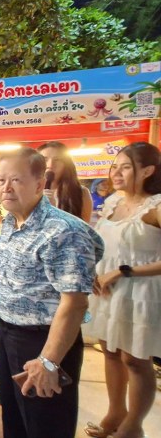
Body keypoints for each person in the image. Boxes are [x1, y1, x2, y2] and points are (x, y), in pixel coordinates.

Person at [0, 147, 103, 438]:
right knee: (15, 421)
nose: (6, 187)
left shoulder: (63, 230)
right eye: (0, 180)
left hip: (42, 340)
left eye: (16, 179)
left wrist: (48, 360)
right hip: (8, 333)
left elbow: (75, 303)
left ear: (40, 184)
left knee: (45, 425)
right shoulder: (11, 221)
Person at [83, 142, 161, 438]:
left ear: (147, 171)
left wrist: (122, 271)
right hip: (108, 289)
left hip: (140, 291)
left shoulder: (155, 205)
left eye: (125, 167)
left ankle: (133, 425)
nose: (115, 173)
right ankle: (115, 413)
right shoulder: (113, 201)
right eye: (114, 166)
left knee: (136, 360)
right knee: (111, 352)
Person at [38, 141, 93, 222]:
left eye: (57, 160)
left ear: (66, 164)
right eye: (44, 159)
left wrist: (54, 210)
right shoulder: (26, 192)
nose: (50, 165)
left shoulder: (81, 192)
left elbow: (84, 227)